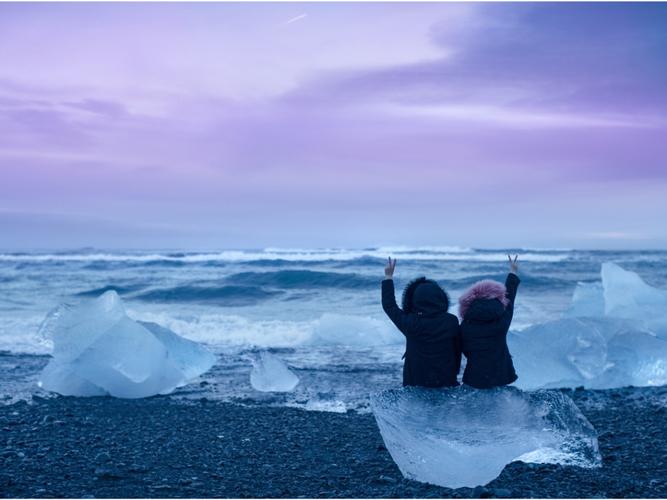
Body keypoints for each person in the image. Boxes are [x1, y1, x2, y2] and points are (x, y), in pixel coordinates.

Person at [381, 257, 461, 387]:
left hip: (416, 382)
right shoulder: (451, 321)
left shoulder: (411, 323)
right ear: (441, 298)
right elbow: (458, 348)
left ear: (414, 301)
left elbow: (389, 306)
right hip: (446, 380)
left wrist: (388, 277)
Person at [458, 255, 520, 389]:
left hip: (474, 377)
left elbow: (463, 349)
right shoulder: (502, 321)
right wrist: (513, 272)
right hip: (501, 376)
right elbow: (510, 298)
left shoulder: (465, 326)